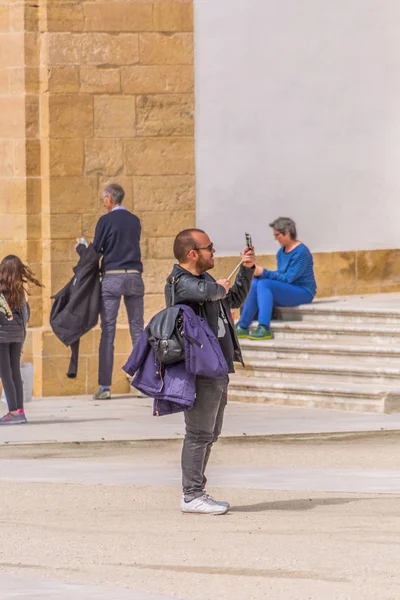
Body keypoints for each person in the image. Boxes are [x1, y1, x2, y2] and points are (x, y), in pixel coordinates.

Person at [165, 228, 255, 514]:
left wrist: (247, 270)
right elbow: (211, 292)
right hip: (199, 368)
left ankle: (196, 491)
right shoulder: (180, 282)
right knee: (198, 432)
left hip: (216, 367)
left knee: (210, 432)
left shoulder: (204, 281)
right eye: (209, 248)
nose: (214, 252)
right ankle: (191, 494)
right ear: (193, 253)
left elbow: (232, 297)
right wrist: (220, 287)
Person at [91, 183, 144, 400]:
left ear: (110, 199)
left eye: (104, 198)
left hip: (112, 277)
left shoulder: (105, 221)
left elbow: (97, 250)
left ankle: (105, 387)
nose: (103, 201)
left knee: (108, 332)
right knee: (137, 329)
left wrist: (82, 249)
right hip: (133, 276)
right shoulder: (135, 220)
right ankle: (142, 384)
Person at [236, 217, 316, 340]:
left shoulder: (301, 252)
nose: (275, 238)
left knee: (264, 284)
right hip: (289, 289)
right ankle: (242, 326)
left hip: (303, 291)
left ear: (287, 233)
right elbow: (281, 276)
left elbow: (288, 279)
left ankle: (264, 327)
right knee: (257, 282)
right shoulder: (281, 252)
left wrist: (263, 271)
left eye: (277, 235)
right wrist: (258, 272)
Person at [0, 255, 42, 425]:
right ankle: (20, 410)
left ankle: (13, 411)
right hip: (17, 337)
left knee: (5, 374)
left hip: (2, 338)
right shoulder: (19, 292)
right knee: (15, 373)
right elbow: (26, 315)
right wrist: (22, 337)